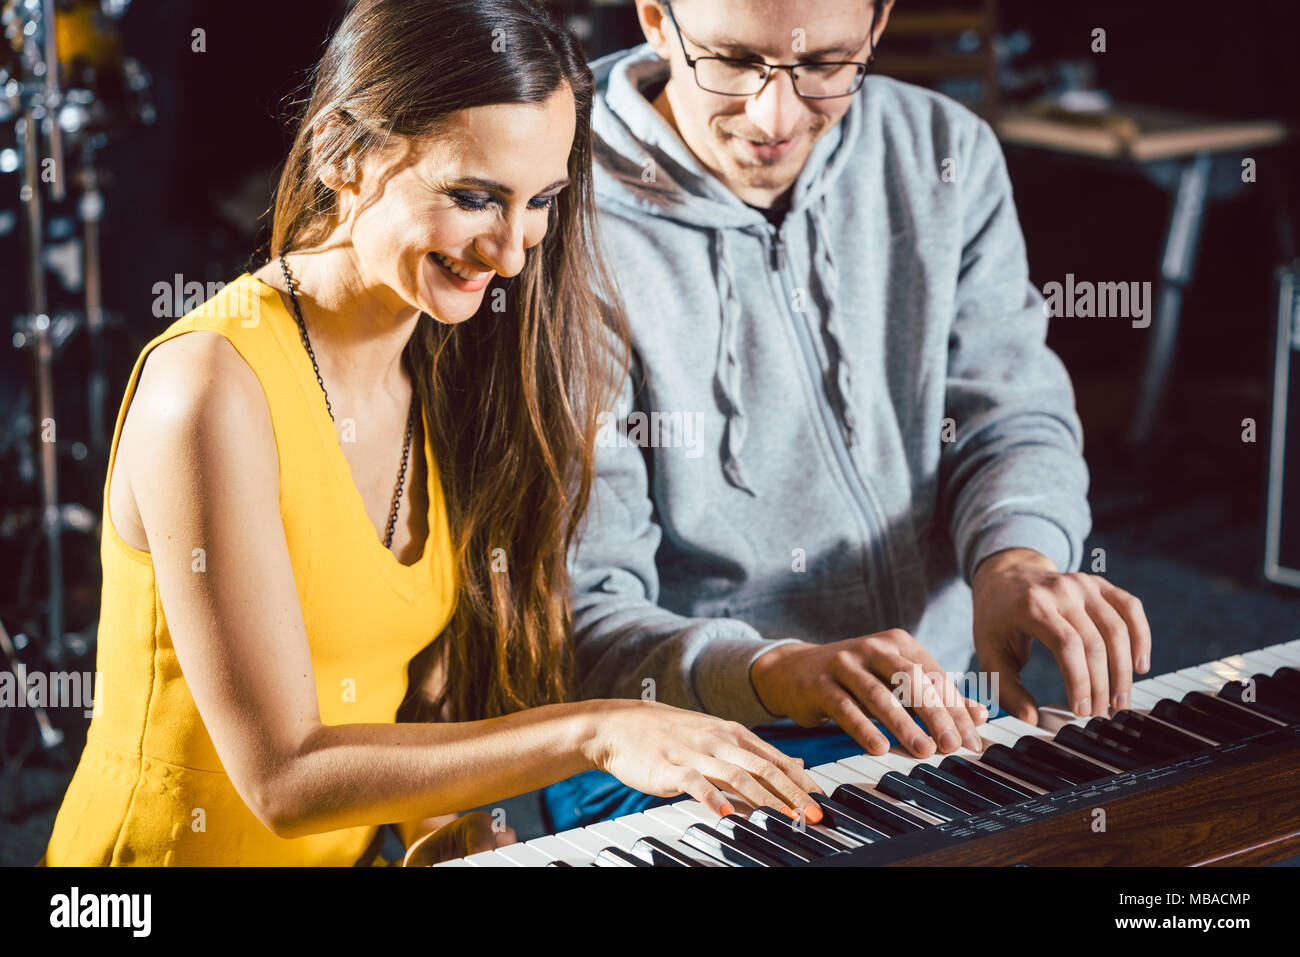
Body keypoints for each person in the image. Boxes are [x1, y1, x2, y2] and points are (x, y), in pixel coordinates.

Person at [40, 0, 823, 867]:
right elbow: (284, 776)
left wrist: (444, 830)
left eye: (540, 203)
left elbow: (413, 704)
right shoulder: (210, 384)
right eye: (473, 197)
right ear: (342, 151)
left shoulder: (443, 372)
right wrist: (598, 728)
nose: (515, 253)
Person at [541, 0, 1152, 830]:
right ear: (654, 18)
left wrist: (1015, 558)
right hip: (674, 735)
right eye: (734, 62)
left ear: (877, 26)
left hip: (926, 711)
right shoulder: (554, 209)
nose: (776, 118)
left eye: (825, 67)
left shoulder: (945, 152)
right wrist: (778, 670)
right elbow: (588, 617)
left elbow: (1007, 415)